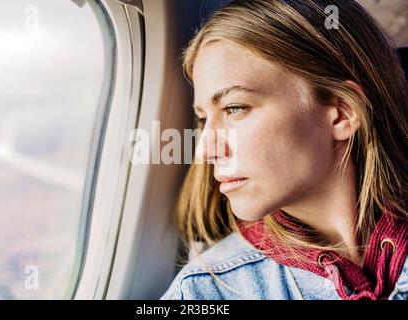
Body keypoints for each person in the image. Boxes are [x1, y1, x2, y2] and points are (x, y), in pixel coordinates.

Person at [161, 0, 408, 300]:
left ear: (342, 113)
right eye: (203, 118)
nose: (204, 150)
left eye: (234, 108)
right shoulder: (204, 293)